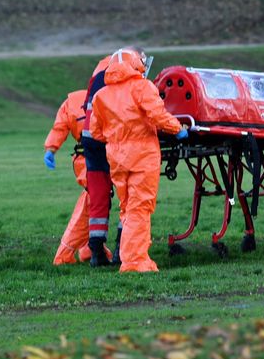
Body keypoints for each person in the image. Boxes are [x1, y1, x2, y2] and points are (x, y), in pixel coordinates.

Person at [88, 47, 187, 273]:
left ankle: (128, 256)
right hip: (142, 156)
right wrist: (177, 129)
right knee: (140, 207)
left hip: (117, 158)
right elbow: (158, 115)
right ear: (135, 64)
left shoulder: (101, 95)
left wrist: (116, 139)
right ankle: (134, 261)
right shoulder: (142, 87)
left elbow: (96, 131)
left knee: (127, 207)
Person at [43, 88, 113, 265]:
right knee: (92, 203)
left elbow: (59, 127)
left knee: (96, 202)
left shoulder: (72, 101)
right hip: (96, 159)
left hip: (89, 158)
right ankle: (66, 252)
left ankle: (89, 249)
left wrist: (51, 149)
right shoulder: (111, 94)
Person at [81, 52, 122, 266]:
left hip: (90, 141)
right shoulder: (128, 77)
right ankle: (121, 251)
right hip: (115, 142)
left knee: (98, 196)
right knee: (129, 196)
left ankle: (96, 252)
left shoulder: (97, 76)